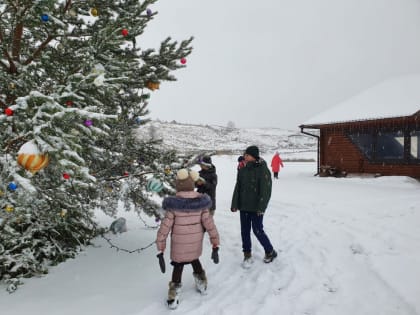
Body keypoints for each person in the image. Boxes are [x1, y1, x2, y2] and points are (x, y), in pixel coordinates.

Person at [156, 169, 220, 309]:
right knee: (194, 260)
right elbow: (210, 225)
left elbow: (164, 228)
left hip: (179, 246)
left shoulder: (173, 205)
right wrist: (215, 243)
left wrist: (160, 247)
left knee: (178, 266)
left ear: (178, 185)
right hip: (195, 243)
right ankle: (202, 284)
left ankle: (173, 296)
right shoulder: (202, 204)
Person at [230, 145, 277, 268]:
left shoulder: (263, 170)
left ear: (253, 156)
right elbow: (238, 187)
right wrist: (235, 204)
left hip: (256, 208)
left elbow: (266, 191)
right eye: (245, 154)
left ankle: (270, 251)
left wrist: (261, 208)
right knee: (244, 231)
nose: (244, 156)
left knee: (257, 230)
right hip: (244, 206)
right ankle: (247, 254)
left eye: (247, 155)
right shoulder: (243, 169)